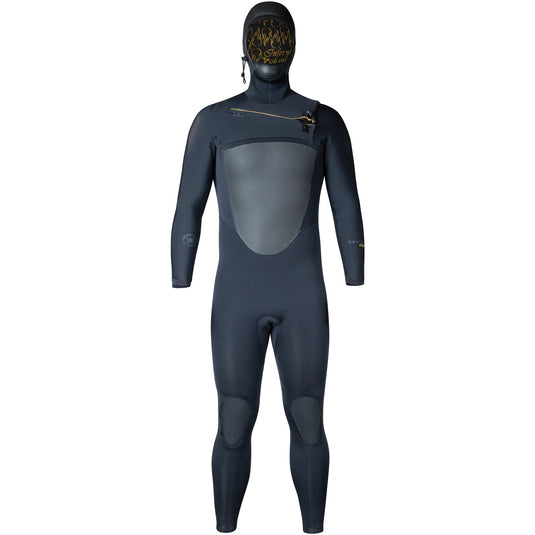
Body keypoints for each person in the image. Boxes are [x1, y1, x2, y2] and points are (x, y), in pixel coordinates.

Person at [171, 2, 365, 532]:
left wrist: (354, 267)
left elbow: (346, 203)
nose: (270, 49)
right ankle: (226, 527)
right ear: (247, 47)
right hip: (237, 297)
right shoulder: (214, 121)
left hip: (302, 297)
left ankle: (313, 528)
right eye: (264, 39)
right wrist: (181, 269)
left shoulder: (324, 120)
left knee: (308, 418)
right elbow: (189, 203)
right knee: (234, 419)